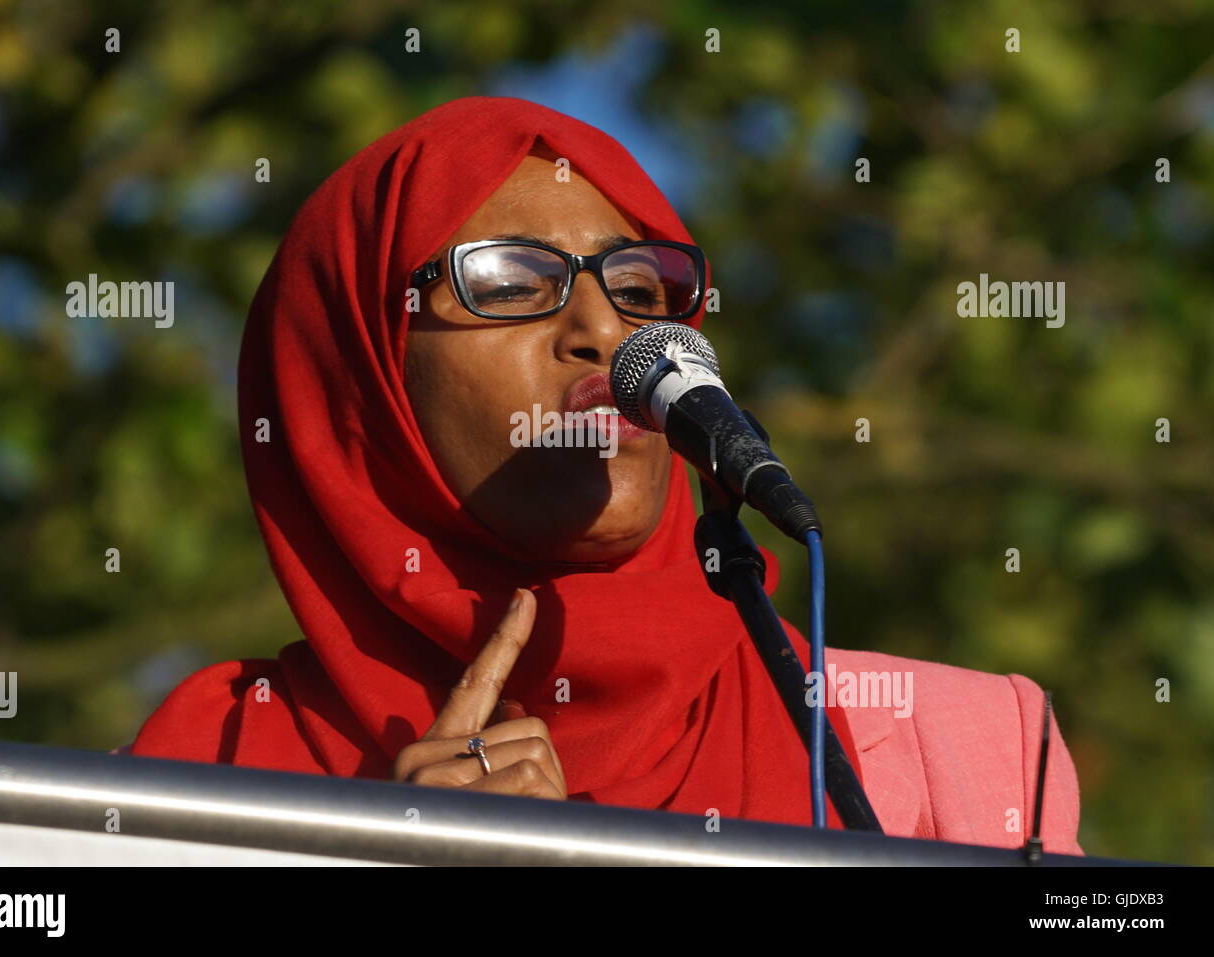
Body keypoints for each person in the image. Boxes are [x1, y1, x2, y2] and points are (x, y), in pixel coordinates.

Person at [128, 96, 1084, 853]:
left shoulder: (955, 751)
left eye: (637, 289)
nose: (603, 329)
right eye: (508, 282)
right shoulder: (209, 771)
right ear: (361, 379)